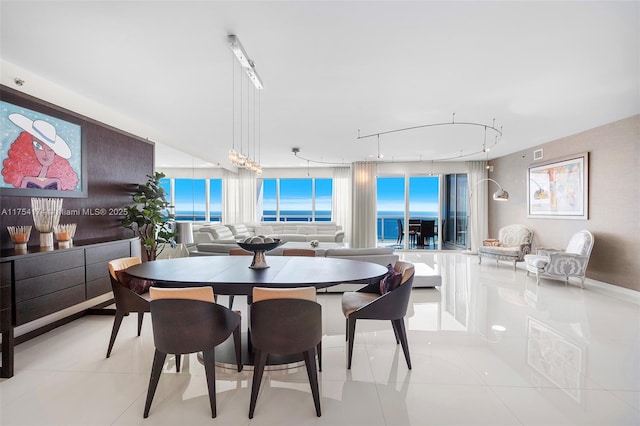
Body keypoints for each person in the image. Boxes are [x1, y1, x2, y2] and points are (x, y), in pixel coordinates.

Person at [2, 113, 78, 190]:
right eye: (38, 146)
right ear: (28, 147)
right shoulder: (24, 177)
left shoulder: (59, 178)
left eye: (50, 149)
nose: (45, 153)